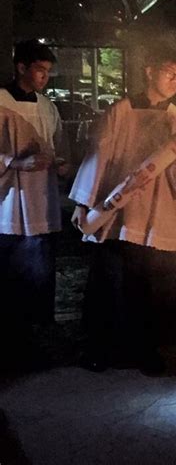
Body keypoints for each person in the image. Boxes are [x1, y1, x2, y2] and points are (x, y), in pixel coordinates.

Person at [69, 45, 176, 373]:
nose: (175, 80)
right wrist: (85, 202)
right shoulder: (120, 111)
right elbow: (98, 156)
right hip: (116, 211)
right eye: (169, 73)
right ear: (149, 71)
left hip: (154, 212)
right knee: (106, 281)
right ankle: (98, 348)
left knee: (144, 284)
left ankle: (144, 350)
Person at [0, 39, 68, 367]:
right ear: (21, 67)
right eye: (39, 70)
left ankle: (39, 336)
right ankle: (12, 341)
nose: (44, 78)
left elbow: (57, 145)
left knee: (41, 273)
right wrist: (14, 163)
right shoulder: (0, 101)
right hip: (9, 203)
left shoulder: (47, 106)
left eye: (47, 72)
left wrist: (61, 162)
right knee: (12, 274)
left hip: (43, 200)